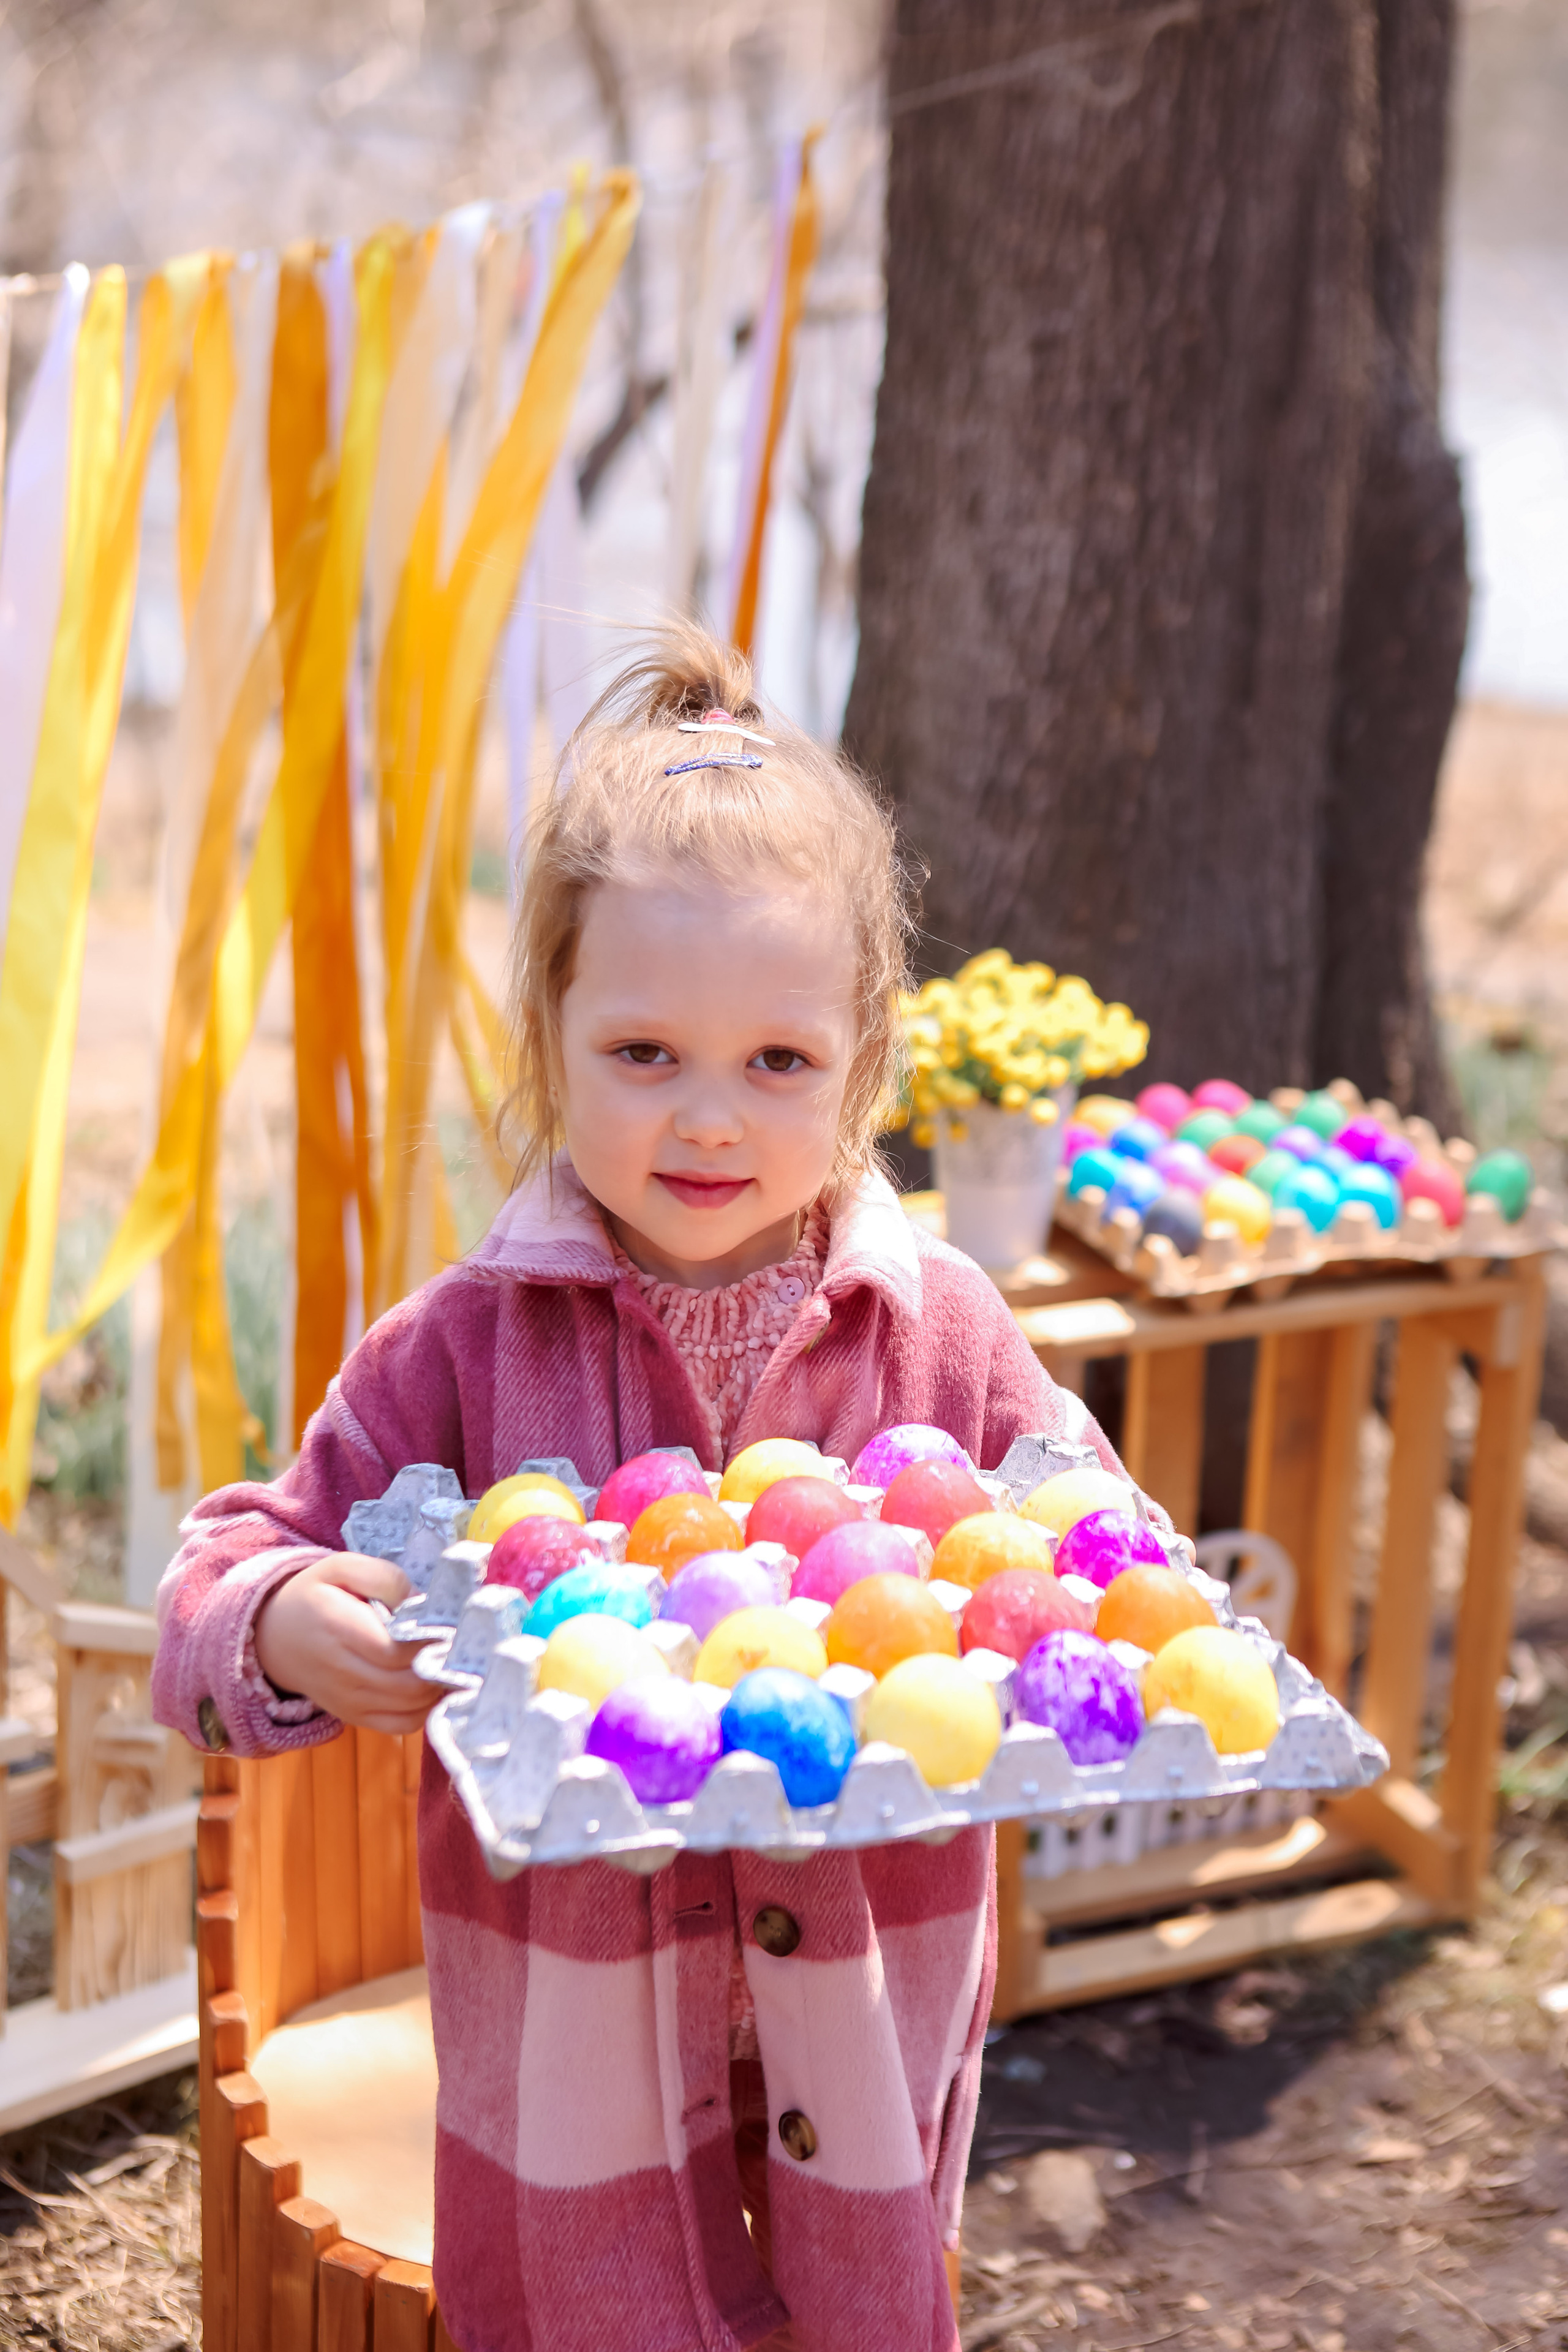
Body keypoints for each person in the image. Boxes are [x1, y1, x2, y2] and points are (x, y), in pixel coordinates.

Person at [153, 625, 1150, 2352]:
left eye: (777, 1062)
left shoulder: (948, 1336)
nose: (708, 1121)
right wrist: (283, 1620)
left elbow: (1088, 1540)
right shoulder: (462, 1348)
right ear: (548, 1029)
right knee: (582, 2314)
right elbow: (226, 1568)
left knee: (858, 2304)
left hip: (865, 1987)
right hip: (573, 2029)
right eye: (641, 1056)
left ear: (868, 1062)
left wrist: (1099, 1592)